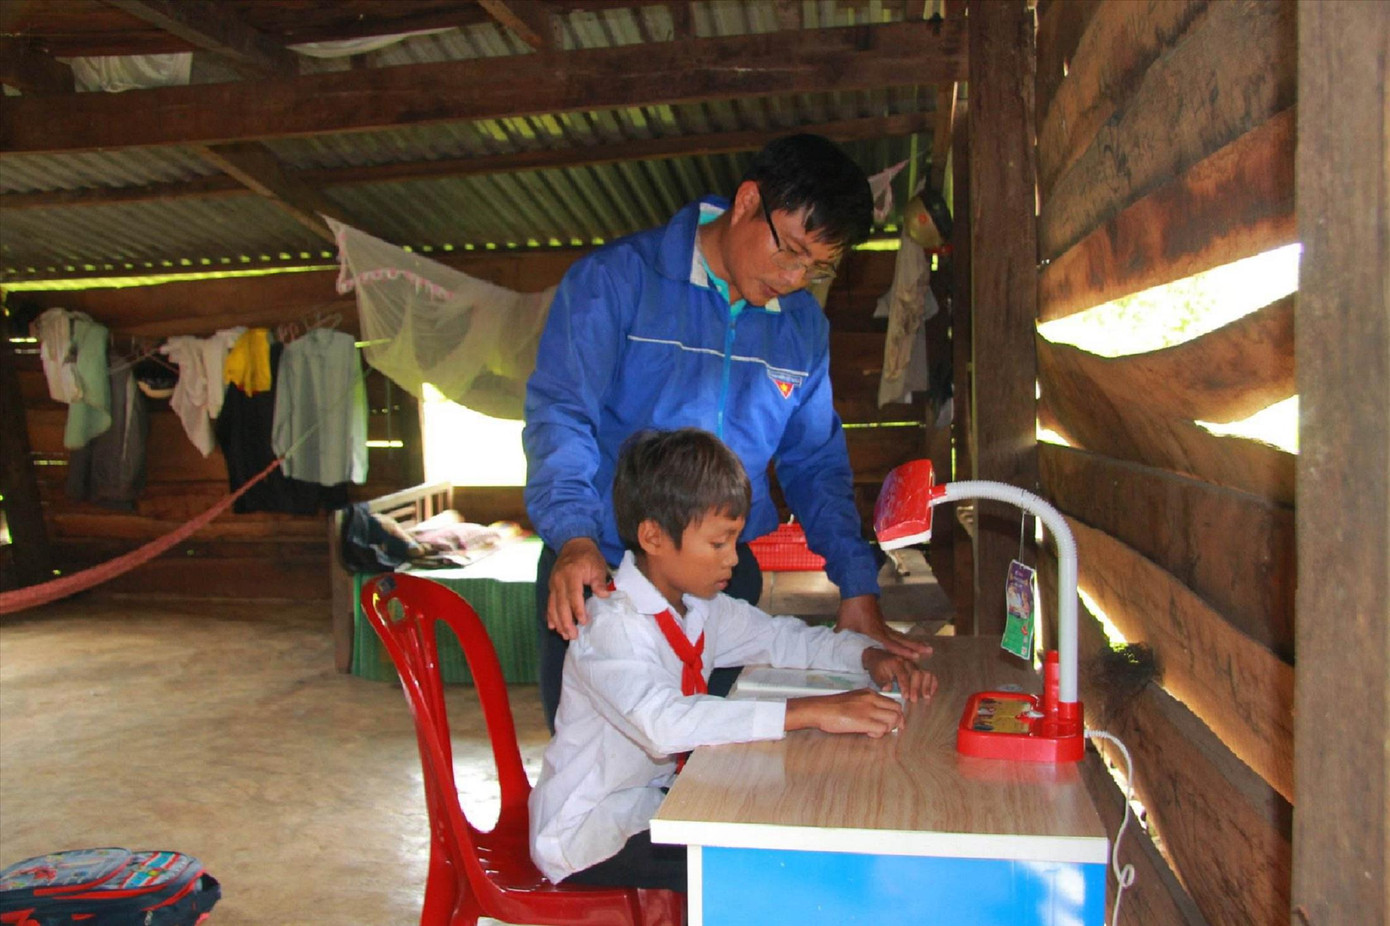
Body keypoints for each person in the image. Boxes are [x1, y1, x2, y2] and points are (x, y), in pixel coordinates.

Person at [524, 133, 932, 730]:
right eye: (790, 250)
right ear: (746, 203)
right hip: (599, 571)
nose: (795, 277)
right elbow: (562, 413)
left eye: (818, 267)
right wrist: (573, 536)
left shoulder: (801, 330)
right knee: (607, 779)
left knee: (717, 778)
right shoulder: (618, 282)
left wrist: (856, 586)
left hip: (722, 581)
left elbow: (815, 466)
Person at [528, 428, 937, 891]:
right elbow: (665, 723)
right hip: (591, 833)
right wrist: (815, 711)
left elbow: (784, 640)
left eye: (735, 542)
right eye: (719, 543)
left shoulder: (701, 607)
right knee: (764, 869)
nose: (733, 561)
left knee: (783, 821)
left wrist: (865, 655)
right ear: (654, 537)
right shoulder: (611, 626)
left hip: (650, 805)